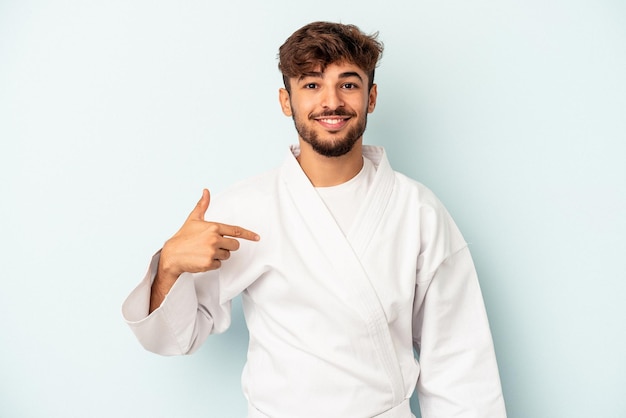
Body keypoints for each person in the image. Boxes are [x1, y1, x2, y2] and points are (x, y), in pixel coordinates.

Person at [122, 21, 507, 418]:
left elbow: (460, 364)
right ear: (286, 101)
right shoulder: (242, 210)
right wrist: (168, 266)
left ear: (371, 97)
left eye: (348, 84)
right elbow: (172, 338)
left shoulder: (419, 212)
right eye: (311, 85)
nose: (331, 101)